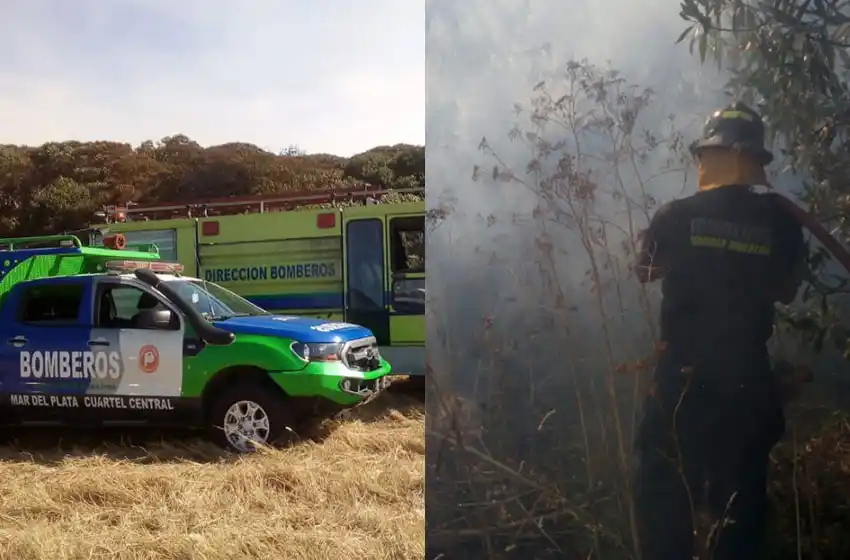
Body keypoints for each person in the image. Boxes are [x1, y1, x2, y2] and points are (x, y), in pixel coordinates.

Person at [632, 102, 808, 560]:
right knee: (740, 505)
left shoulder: (677, 214)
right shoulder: (783, 221)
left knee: (664, 495)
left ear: (706, 157)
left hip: (682, 380)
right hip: (748, 381)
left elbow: (645, 271)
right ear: (756, 160)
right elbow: (786, 290)